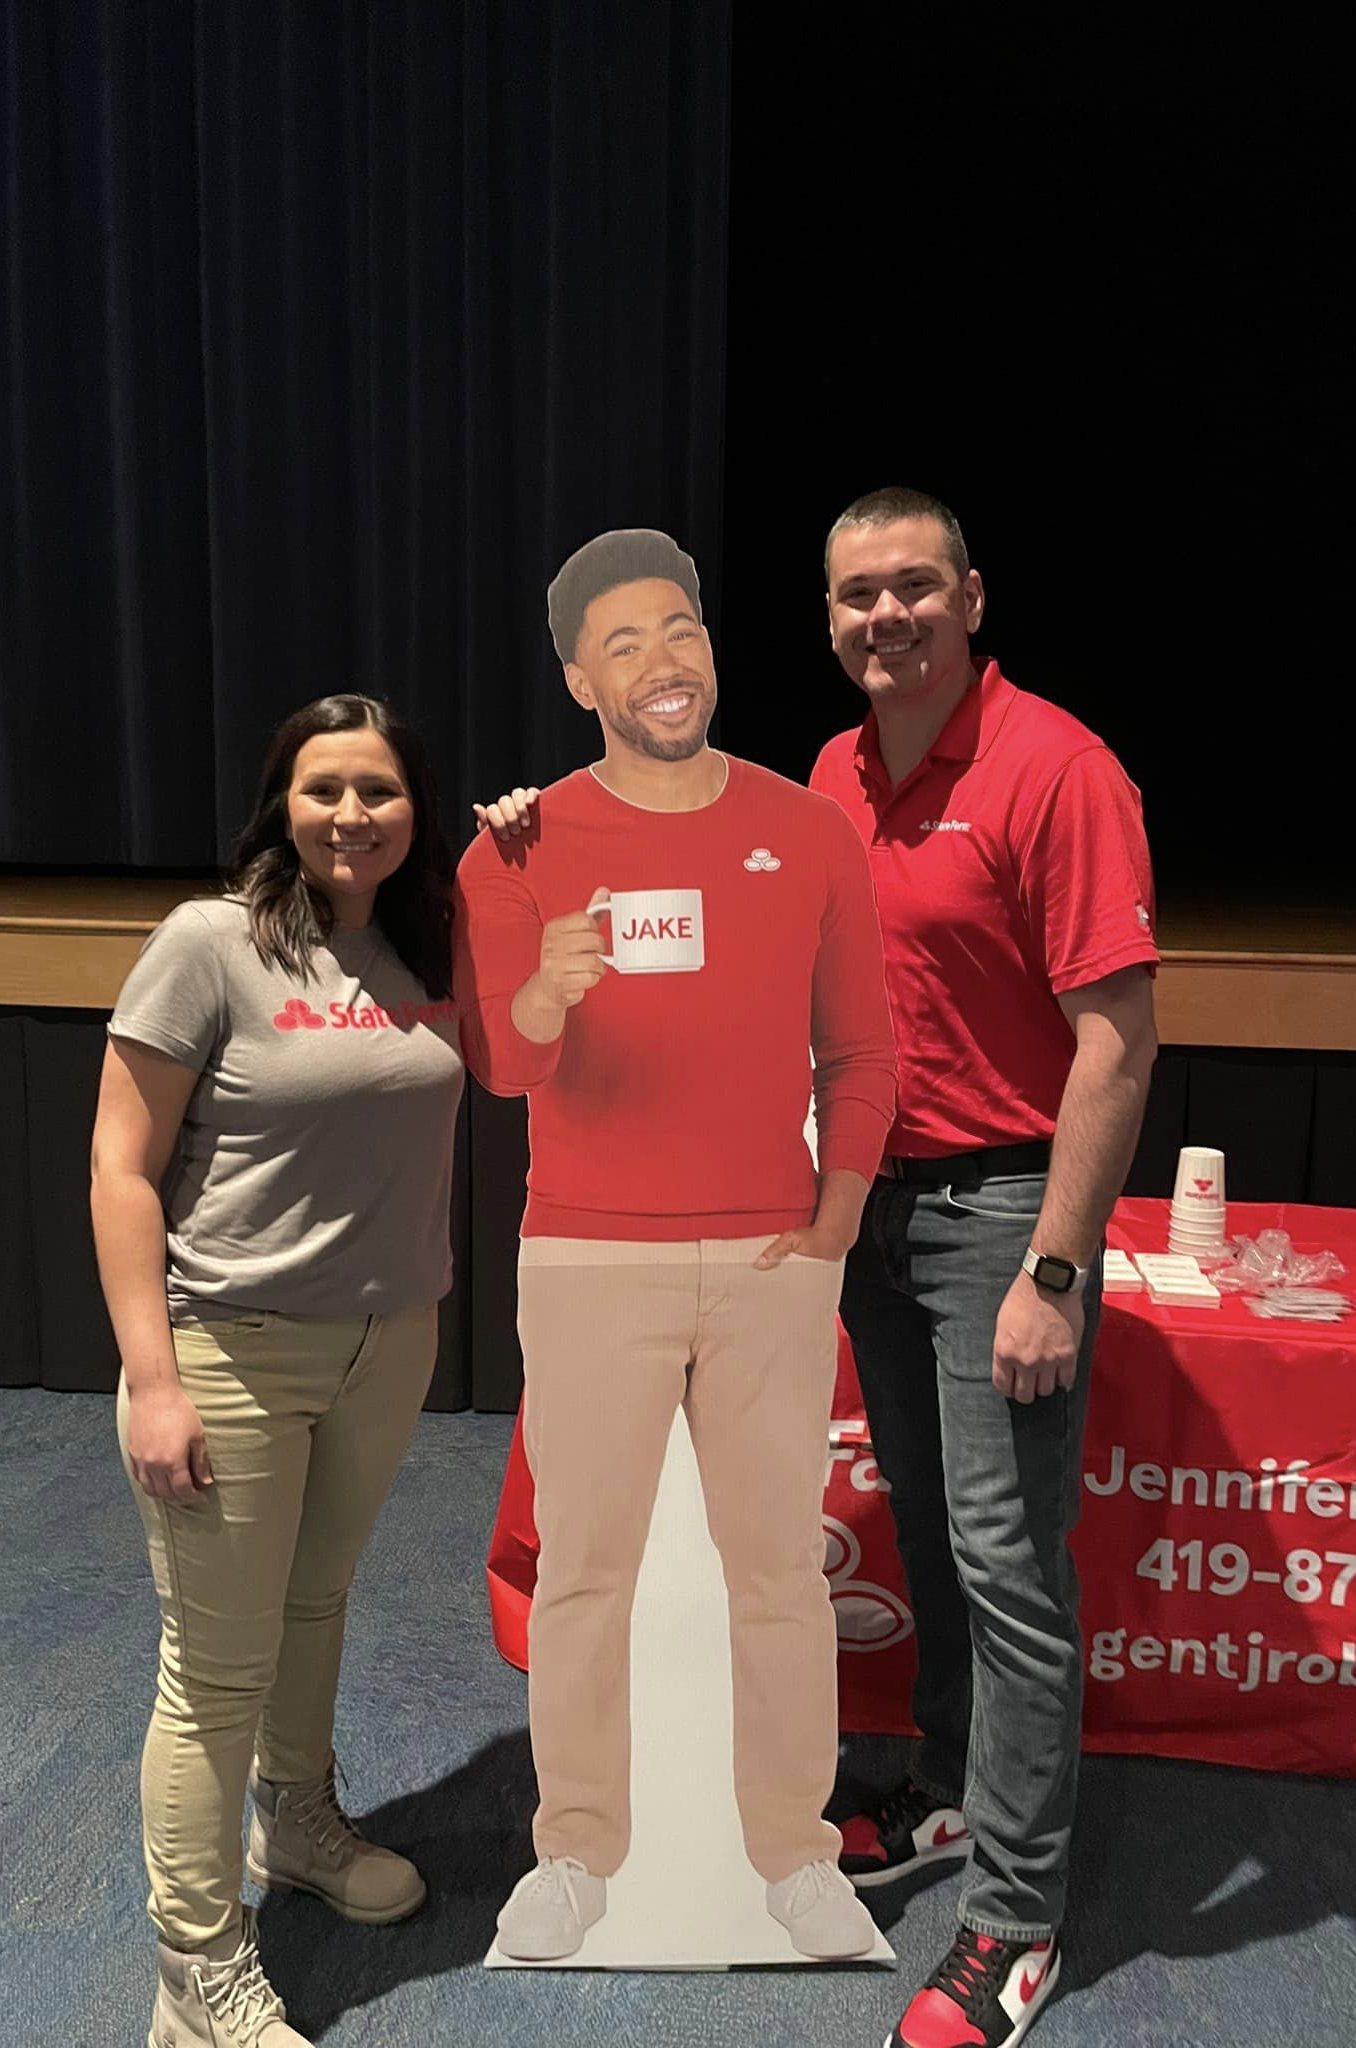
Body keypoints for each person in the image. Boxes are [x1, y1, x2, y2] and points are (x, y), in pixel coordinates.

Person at [480, 489, 1159, 2045]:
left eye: (916, 588)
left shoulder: (1060, 771)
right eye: (859, 596)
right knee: (926, 1526)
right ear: (829, 619)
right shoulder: (831, 783)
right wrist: (535, 855)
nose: (887, 618)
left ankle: (1013, 1916)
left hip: (1000, 1214)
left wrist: (1055, 1268)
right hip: (867, 1214)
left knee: (1007, 1565)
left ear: (972, 599)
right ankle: (939, 1786)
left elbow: (1116, 1043)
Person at [452, 527, 897, 1964]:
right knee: (587, 1569)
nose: (663, 662)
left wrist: (833, 1222)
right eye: (624, 642)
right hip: (589, 1261)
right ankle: (578, 1854)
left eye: (680, 630)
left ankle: (795, 1857)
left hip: (770, 1261)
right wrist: (543, 995)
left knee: (778, 1570)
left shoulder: (808, 827)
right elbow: (507, 1073)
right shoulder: (517, 843)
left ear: (712, 645)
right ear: (580, 676)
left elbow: (864, 1049)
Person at [91, 695, 464, 2048]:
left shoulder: (435, 944)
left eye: (380, 790)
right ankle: (195, 1973)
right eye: (325, 790)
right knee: (214, 1671)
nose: (352, 815)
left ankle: (297, 1824)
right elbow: (123, 1167)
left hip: (388, 1342)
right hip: (229, 1348)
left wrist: (538, 844)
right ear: (282, 804)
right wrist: (153, 1377)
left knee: (316, 1607)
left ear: (417, 808)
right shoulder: (212, 943)